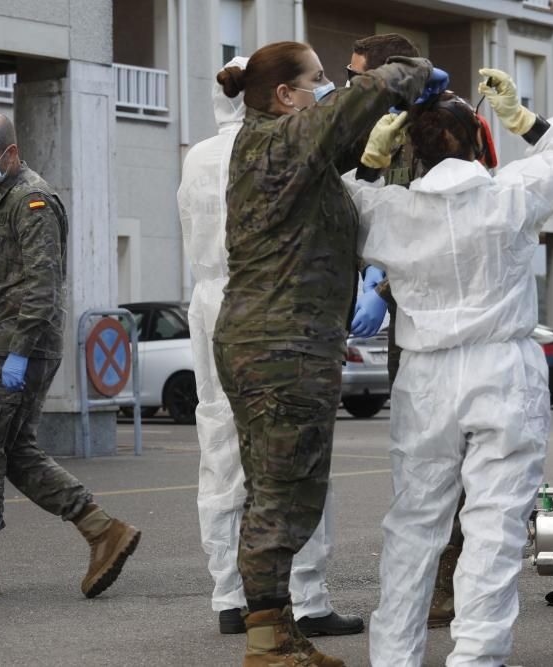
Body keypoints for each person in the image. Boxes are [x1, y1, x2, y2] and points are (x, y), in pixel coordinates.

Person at [343, 71, 553, 666]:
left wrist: (370, 162)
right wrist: (522, 117)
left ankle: (394, 655)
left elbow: (342, 199)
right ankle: (476, 656)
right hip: (502, 368)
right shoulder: (511, 194)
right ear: (479, 141)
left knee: (414, 522)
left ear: (413, 152)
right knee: (495, 525)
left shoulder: (391, 210)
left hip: (425, 376)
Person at [212, 40, 437, 666]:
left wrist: (369, 151)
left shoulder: (278, 146)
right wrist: (410, 74)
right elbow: (363, 96)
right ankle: (267, 640)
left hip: (280, 340)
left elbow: (335, 147)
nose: (325, 88)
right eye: (316, 81)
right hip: (280, 345)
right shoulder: (277, 141)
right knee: (282, 497)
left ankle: (274, 626)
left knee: (278, 490)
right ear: (287, 95)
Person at [0, 112, 141, 602]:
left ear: (11, 154)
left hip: (24, 345)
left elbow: (42, 287)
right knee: (15, 451)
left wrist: (14, 352)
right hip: (4, 343)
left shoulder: (31, 200)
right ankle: (101, 529)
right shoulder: (1, 197)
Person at [182, 56, 362, 639]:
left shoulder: (198, 156)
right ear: (277, 94)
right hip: (279, 308)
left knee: (221, 456)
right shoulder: (289, 149)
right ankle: (304, 599)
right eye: (312, 84)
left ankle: (230, 597)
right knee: (293, 461)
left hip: (213, 309)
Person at [348, 32, 468, 631]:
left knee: (447, 452)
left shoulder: (443, 123)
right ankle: (422, 577)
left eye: (360, 76)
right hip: (404, 321)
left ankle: (450, 580)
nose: (352, 87)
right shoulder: (380, 131)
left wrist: (381, 284)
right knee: (414, 452)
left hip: (442, 316)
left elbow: (443, 231)